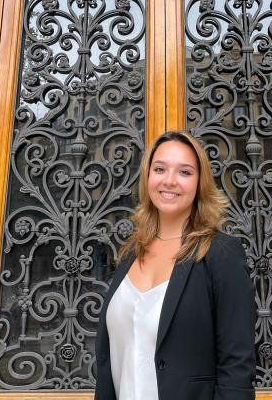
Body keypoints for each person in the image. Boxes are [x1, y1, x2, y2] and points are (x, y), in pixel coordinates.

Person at [95, 130, 256, 400]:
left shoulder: (222, 254)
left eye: (184, 172)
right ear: (148, 177)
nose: (169, 181)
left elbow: (237, 365)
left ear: (199, 183)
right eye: (160, 169)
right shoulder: (130, 254)